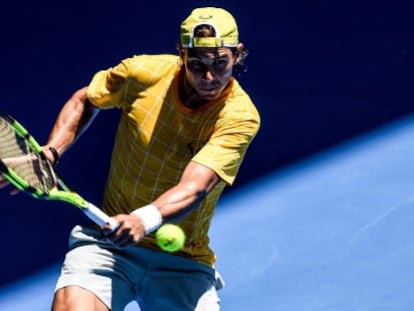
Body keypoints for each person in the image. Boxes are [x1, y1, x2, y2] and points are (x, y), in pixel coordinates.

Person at [1, 6, 260, 311]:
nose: (208, 76)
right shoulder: (143, 74)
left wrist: (143, 219)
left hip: (183, 262)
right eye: (196, 64)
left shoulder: (239, 117)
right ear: (181, 54)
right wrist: (52, 150)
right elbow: (87, 99)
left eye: (220, 63)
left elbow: (196, 185)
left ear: (238, 53)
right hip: (107, 245)